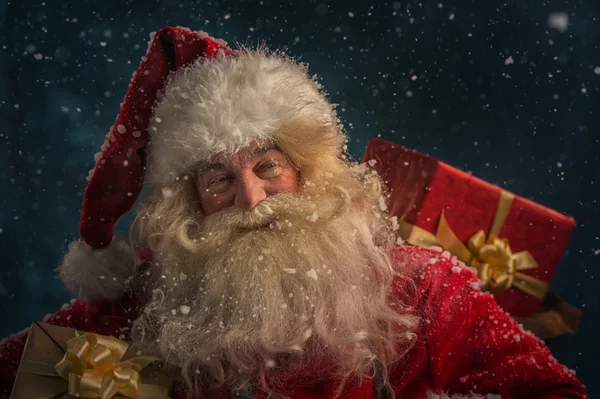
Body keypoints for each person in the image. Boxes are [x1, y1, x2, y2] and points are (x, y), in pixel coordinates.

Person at [0, 26, 588, 399]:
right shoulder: (150, 299)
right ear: (192, 201)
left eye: (267, 166)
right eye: (219, 179)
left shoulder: (420, 285)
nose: (251, 201)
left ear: (306, 168)